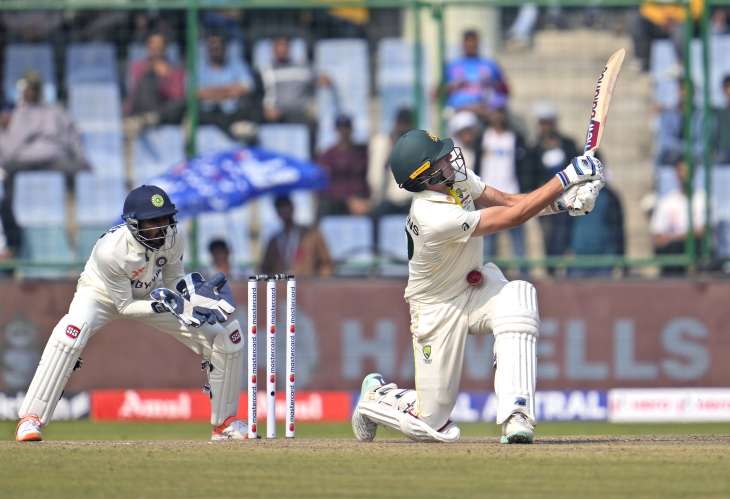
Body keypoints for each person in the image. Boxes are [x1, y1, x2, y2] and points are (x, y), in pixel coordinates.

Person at [350, 129, 604, 444]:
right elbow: (512, 217)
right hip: (436, 308)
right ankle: (376, 396)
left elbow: (512, 202)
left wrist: (563, 204)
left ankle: (517, 414)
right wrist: (565, 179)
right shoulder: (431, 215)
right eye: (439, 159)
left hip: (475, 287)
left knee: (518, 297)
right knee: (432, 423)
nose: (449, 159)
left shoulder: (455, 179)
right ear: (425, 176)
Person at [15, 185, 248, 442]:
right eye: (153, 221)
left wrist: (191, 295)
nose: (162, 227)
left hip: (152, 294)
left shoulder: (173, 237)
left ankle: (225, 424)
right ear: (135, 224)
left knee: (224, 337)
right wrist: (167, 304)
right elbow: (124, 306)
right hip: (100, 296)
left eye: (165, 219)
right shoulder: (110, 251)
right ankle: (30, 419)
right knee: (70, 334)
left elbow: (173, 279)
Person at [0, 71, 90, 258]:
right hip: (23, 163)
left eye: (32, 89)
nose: (29, 93)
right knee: (5, 192)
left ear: (39, 90)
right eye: (26, 89)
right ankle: (14, 241)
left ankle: (74, 238)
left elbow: (72, 136)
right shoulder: (18, 113)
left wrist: (81, 158)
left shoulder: (55, 111)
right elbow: (9, 149)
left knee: (79, 173)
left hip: (53, 161)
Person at [525, 102, 579, 273]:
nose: (546, 127)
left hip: (567, 199)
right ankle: (551, 270)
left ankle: (568, 270)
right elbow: (530, 176)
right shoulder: (534, 149)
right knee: (548, 236)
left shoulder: (568, 145)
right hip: (546, 201)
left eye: (549, 122)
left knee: (566, 234)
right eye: (543, 123)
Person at [479, 100, 529, 266]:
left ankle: (524, 276)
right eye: (494, 112)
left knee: (518, 244)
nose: (497, 116)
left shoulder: (514, 138)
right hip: (487, 197)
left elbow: (522, 166)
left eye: (500, 112)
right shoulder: (483, 137)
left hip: (511, 195)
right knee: (487, 245)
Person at [198, 33, 261, 143]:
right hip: (207, 112)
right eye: (212, 47)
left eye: (218, 47)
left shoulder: (236, 64)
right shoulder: (199, 67)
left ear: (224, 48)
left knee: (250, 106)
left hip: (232, 112)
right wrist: (228, 91)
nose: (215, 50)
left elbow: (247, 87)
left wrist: (212, 92)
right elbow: (196, 93)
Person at [650, 156, 705, 276]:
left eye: (687, 170)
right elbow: (657, 237)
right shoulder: (667, 201)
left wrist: (672, 238)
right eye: (680, 170)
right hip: (673, 257)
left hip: (696, 257)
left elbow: (702, 232)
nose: (684, 175)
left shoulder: (703, 200)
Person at [125, 31, 186, 131]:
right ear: (148, 47)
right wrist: (153, 71)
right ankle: (147, 117)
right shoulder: (138, 67)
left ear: (165, 48)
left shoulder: (176, 71)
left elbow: (177, 95)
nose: (156, 49)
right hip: (144, 108)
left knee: (183, 103)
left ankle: (152, 117)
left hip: (166, 111)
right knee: (146, 81)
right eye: (153, 45)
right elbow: (136, 91)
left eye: (159, 45)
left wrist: (166, 77)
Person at [260, 195, 333, 277]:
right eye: (280, 208)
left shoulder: (311, 235)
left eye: (286, 206)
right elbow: (264, 268)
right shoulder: (273, 241)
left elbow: (326, 263)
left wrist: (320, 283)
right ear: (277, 212)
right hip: (282, 286)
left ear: (293, 208)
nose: (284, 211)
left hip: (307, 285)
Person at [443, 30, 509, 119]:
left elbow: (504, 88)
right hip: (460, 111)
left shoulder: (490, 64)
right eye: (468, 42)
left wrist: (490, 84)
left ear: (478, 43)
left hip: (485, 109)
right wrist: (454, 86)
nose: (471, 45)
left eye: (473, 42)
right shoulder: (452, 65)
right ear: (463, 44)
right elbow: (439, 91)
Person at [568, 179, 625, 277]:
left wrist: (620, 258)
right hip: (578, 257)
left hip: (604, 258)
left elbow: (617, 230)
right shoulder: (572, 195)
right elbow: (564, 227)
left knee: (603, 291)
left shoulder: (610, 196)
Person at [316, 114, 370, 216]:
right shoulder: (328, 155)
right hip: (336, 202)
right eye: (341, 128)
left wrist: (366, 201)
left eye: (346, 127)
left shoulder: (361, 153)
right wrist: (348, 201)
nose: (344, 131)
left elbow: (365, 180)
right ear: (336, 130)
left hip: (361, 201)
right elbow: (324, 184)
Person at [368, 107, 415, 216]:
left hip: (410, 200)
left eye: (406, 124)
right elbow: (375, 180)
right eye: (401, 123)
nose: (403, 127)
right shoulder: (381, 143)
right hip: (386, 200)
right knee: (374, 215)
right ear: (396, 124)